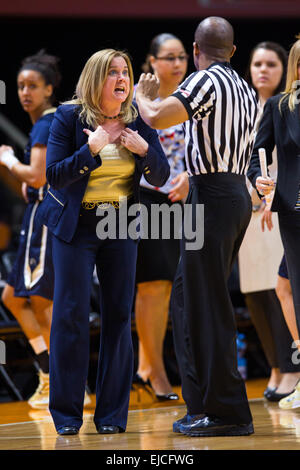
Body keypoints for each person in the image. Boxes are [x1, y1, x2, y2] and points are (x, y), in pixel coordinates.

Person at [136, 16, 259, 437]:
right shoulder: (242, 86)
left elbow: (156, 117)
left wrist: (141, 96)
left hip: (211, 196)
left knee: (206, 304)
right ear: (234, 50)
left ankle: (227, 412)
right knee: (188, 298)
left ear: (195, 49)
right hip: (229, 194)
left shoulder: (206, 80)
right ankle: (203, 402)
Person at [36, 49, 169, 436]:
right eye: (112, 72)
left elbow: (160, 176)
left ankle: (111, 416)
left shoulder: (139, 121)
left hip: (120, 223)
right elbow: (55, 177)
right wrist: (91, 150)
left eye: (124, 71)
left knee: (117, 317)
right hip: (76, 225)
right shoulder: (68, 117)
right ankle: (66, 415)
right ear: (96, 80)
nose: (121, 78)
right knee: (71, 317)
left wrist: (144, 151)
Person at [238, 42, 300, 401]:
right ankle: (281, 366)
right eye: (256, 62)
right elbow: (251, 158)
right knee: (271, 290)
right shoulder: (265, 107)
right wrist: (259, 186)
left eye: (269, 63)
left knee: (282, 287)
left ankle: (289, 368)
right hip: (269, 207)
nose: (262, 70)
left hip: (278, 208)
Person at [0, 51, 61, 409]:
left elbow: (37, 174)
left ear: (49, 89)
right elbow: (44, 178)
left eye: (33, 86)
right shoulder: (49, 122)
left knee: (40, 301)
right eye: (21, 86)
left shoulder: (45, 124)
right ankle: (50, 372)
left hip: (44, 219)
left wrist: (9, 162)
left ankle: (64, 380)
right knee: (13, 297)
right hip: (40, 213)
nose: (25, 92)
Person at [133, 33, 189, 401]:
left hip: (186, 197)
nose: (178, 63)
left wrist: (193, 176)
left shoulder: (195, 93)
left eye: (182, 56)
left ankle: (145, 367)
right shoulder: (138, 98)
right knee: (153, 286)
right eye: (169, 57)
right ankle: (157, 373)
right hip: (146, 196)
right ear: (152, 61)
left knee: (173, 289)